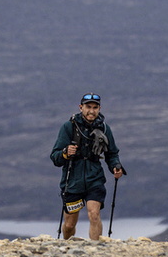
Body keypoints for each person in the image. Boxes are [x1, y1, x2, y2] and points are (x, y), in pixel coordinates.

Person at [50, 93, 125, 240]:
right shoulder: (69, 127)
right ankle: (67, 245)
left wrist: (115, 166)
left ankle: (95, 249)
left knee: (94, 214)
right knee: (69, 224)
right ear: (81, 107)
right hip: (72, 180)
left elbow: (112, 153)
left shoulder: (104, 128)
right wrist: (65, 153)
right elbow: (55, 157)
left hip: (94, 177)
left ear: (99, 109)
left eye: (95, 107)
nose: (91, 111)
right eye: (88, 107)